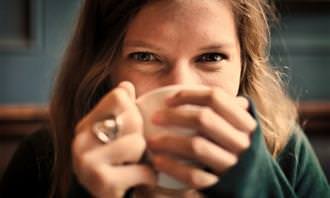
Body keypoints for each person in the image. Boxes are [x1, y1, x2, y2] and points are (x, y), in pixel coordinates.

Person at [0, 0, 329, 197]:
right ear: (105, 68)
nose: (182, 87)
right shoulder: (43, 158)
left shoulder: (286, 152)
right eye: (145, 57)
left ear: (244, 65)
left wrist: (258, 188)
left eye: (211, 57)